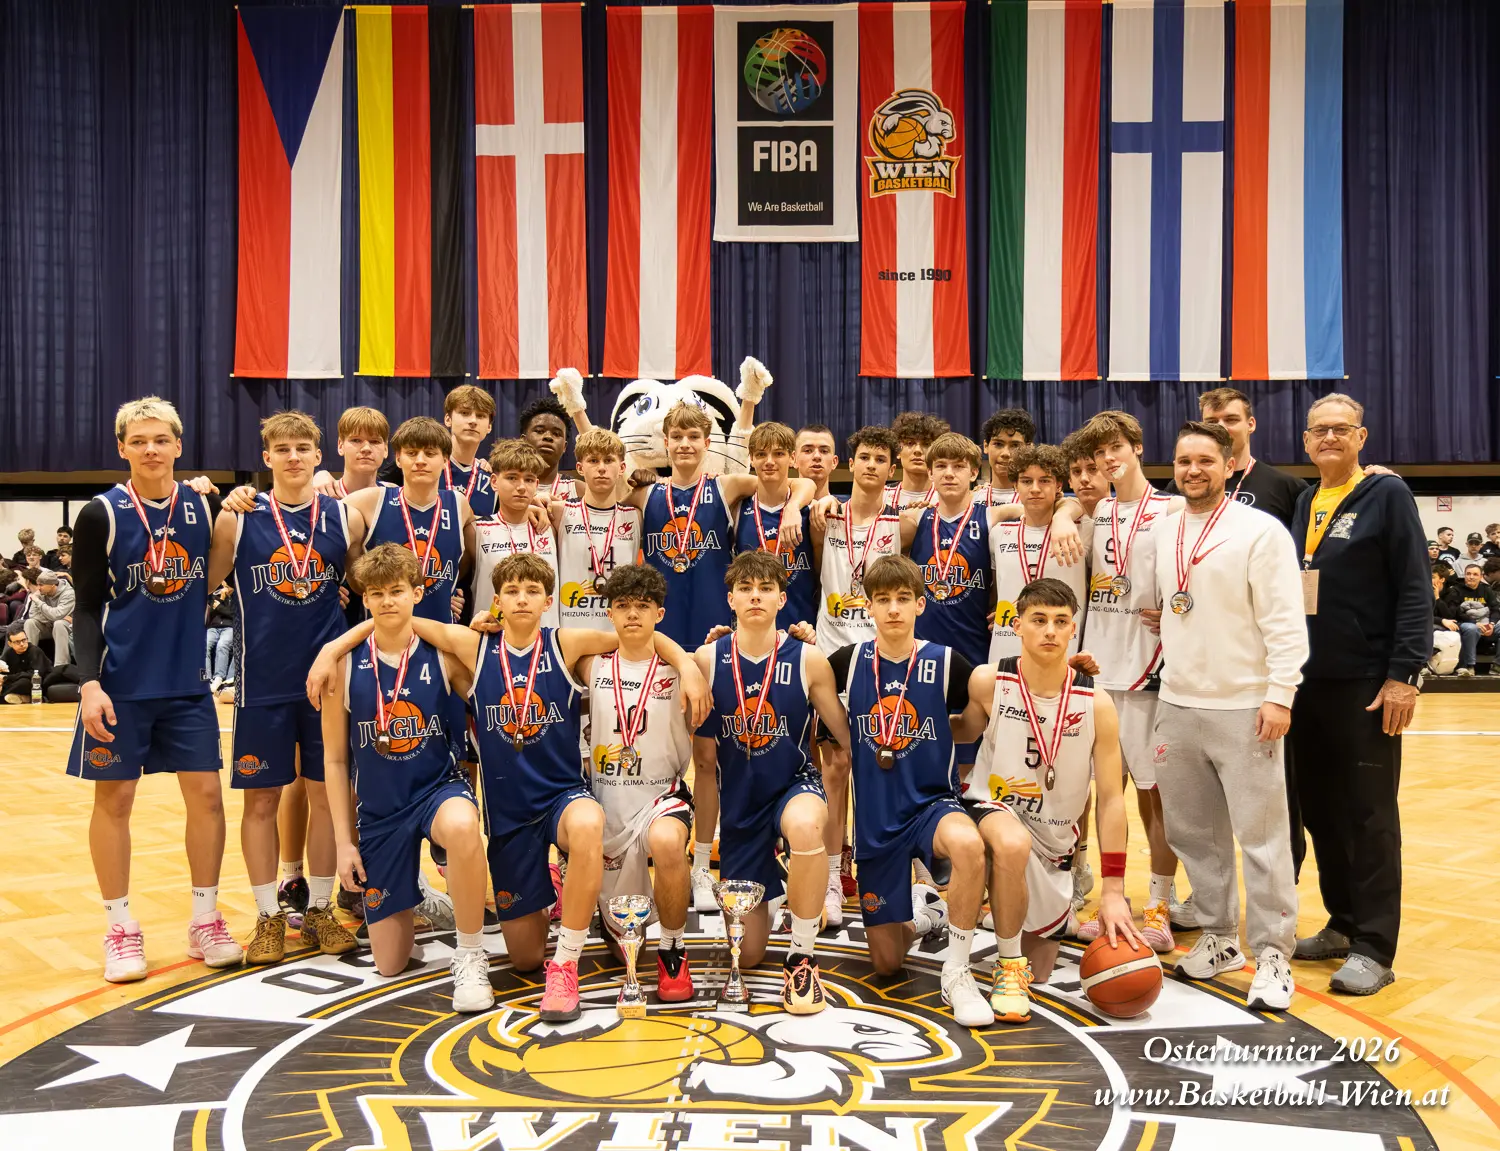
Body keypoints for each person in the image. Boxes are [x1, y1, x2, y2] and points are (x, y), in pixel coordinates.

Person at [313, 551, 708, 1020]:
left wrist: (685, 664)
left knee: (589, 823)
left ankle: (566, 962)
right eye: (512, 591)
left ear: (548, 601)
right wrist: (331, 650)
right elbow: (396, 620)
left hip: (561, 797)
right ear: (497, 600)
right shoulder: (471, 647)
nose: (522, 599)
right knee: (515, 958)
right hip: (509, 815)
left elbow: (638, 634)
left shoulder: (566, 642)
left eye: (533, 591)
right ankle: (553, 888)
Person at [68, 397, 244, 981]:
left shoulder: (202, 505)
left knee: (209, 798)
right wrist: (88, 683)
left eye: (161, 439)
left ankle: (205, 918)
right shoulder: (100, 514)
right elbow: (86, 606)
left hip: (187, 685)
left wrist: (234, 497)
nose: (150, 449)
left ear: (178, 445)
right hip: (120, 685)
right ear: (122, 447)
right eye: (139, 440)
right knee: (115, 802)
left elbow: (222, 567)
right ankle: (119, 927)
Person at [1150, 422, 1307, 1009]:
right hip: (1177, 701)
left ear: (1229, 465)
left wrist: (1281, 694)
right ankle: (1219, 938)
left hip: (1246, 705)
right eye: (1183, 461)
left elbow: (1285, 620)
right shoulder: (1164, 531)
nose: (1193, 470)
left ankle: (1273, 953)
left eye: (1205, 461)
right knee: (1194, 834)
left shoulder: (1260, 531)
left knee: (1261, 838)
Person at [210, 410, 364, 965]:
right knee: (261, 800)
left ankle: (319, 908)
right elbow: (203, 585)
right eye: (283, 449)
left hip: (327, 683)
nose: (294, 457)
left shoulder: (344, 516)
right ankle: (268, 916)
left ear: (319, 457)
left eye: (303, 448)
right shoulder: (237, 519)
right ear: (267, 458)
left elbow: (364, 583)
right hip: (262, 684)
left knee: (327, 796)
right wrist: (211, 497)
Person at [313, 545, 494, 1011]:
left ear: (417, 593)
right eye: (376, 593)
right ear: (364, 599)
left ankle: (470, 955)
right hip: (380, 810)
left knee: (462, 826)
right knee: (390, 962)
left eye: (397, 591)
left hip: (438, 790)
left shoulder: (442, 654)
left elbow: (486, 676)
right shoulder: (343, 666)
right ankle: (418, 896)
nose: (387, 601)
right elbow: (335, 761)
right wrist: (345, 844)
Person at [1290, 393, 1429, 996]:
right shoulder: (1304, 501)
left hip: (1367, 684)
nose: (1329, 438)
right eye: (1319, 430)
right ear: (1305, 440)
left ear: (1361, 437)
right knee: (1321, 812)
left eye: (1340, 429)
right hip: (1305, 683)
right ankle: (1343, 923)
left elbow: (1415, 587)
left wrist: (1404, 674)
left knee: (1369, 814)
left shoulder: (1387, 494)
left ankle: (1375, 946)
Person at [957, 578, 1139, 1020]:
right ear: (1016, 625)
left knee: (1040, 970)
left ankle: (1005, 907)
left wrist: (1114, 891)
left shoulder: (1096, 703)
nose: (1050, 631)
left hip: (1055, 844)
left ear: (1074, 629)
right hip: (993, 809)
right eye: (1038, 620)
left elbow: (1111, 800)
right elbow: (961, 731)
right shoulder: (989, 680)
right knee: (1010, 842)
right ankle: (1002, 957)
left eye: (1061, 621)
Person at [827, 555, 993, 1026]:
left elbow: (970, 726)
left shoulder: (946, 662)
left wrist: (937, 731)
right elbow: (805, 683)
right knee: (887, 962)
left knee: (968, 844)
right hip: (876, 821)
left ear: (921, 604)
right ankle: (926, 916)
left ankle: (957, 970)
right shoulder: (848, 661)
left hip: (931, 805)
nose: (894, 609)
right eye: (883, 600)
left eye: (904, 599)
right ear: (868, 607)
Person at [695, 551, 852, 1012]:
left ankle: (802, 958)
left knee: (805, 827)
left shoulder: (808, 658)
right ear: (730, 599)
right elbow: (703, 764)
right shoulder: (708, 659)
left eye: (766, 589)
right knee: (747, 954)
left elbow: (846, 737)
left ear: (782, 599)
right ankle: (787, 884)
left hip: (792, 786)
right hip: (740, 807)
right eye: (745, 589)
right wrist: (701, 859)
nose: (755, 597)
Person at [1070, 410, 1188, 950]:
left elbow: (1195, 576)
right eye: (1098, 453)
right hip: (1097, 669)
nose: (1107, 459)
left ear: (1137, 446)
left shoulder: (1172, 509)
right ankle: (1100, 895)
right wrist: (1067, 513)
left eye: (1115, 447)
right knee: (1095, 792)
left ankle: (1160, 903)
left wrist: (1181, 608)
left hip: (1150, 670)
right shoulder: (1094, 512)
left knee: (1154, 795)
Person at [582, 564, 696, 1001]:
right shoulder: (589, 665)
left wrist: (687, 663)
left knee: (667, 842)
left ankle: (674, 949)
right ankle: (609, 917)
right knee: (622, 950)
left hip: (661, 795)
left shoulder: (681, 670)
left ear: (659, 614)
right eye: (623, 605)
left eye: (643, 606)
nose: (633, 614)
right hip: (608, 804)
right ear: (609, 613)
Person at [809, 427, 904, 924]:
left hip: (883, 656)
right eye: (864, 456)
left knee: (884, 766)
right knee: (835, 766)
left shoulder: (904, 522)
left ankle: (877, 866)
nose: (870, 465)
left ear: (892, 468)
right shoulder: (825, 514)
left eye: (880, 459)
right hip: (833, 655)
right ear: (851, 462)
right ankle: (830, 875)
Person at [345, 417, 475, 625]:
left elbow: (467, 560)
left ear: (445, 460)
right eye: (412, 453)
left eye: (430, 453)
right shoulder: (370, 501)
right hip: (384, 634)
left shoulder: (459, 504)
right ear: (398, 458)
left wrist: (446, 590)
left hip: (442, 633)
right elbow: (314, 517)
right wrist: (334, 585)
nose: (420, 460)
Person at [988, 445, 1091, 664]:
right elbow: (996, 591)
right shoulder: (998, 533)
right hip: (1006, 650)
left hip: (1062, 651)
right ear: (1015, 485)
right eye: (1027, 481)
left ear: (1058, 485)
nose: (1035, 489)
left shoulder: (1082, 531)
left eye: (1044, 480)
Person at [1162, 388, 1307, 528]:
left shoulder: (1287, 487)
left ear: (1250, 424)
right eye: (1211, 422)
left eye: (1231, 420)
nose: (1221, 428)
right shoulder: (1182, 485)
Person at [547, 428, 641, 629]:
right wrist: (536, 501)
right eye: (593, 460)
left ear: (622, 467)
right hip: (571, 629)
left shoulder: (636, 516)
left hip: (618, 630)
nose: (601, 468)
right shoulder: (560, 512)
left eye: (608, 460)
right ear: (580, 468)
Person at [734, 422, 818, 630]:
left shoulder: (810, 511)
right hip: (751, 632)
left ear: (792, 458)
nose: (769, 461)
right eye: (761, 454)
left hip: (802, 629)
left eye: (778, 454)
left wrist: (793, 506)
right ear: (751, 459)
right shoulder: (736, 510)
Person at [470, 439, 559, 628]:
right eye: (512, 478)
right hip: (493, 637)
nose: (521, 487)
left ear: (536, 484)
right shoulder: (477, 530)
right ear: (494, 482)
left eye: (528, 479)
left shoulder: (552, 526)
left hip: (545, 638)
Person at [314, 406, 390, 498]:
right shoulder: (319, 497)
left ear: (385, 449)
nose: (366, 448)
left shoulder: (396, 498)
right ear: (340, 445)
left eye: (375, 441)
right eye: (356, 440)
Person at [1437, 561, 1498, 676]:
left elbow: (1495, 609)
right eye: (1468, 574)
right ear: (1464, 575)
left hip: (1486, 624)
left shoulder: (1486, 589)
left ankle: (1497, 665)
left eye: (1475, 574)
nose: (1471, 577)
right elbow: (1454, 613)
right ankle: (1469, 665)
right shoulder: (1455, 590)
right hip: (1464, 623)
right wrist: (1474, 622)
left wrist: (1492, 624)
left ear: (1481, 576)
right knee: (1471, 628)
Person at [521, 395, 579, 502]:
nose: (548, 437)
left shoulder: (580, 490)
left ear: (564, 447)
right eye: (539, 431)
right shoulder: (504, 485)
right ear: (523, 441)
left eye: (556, 434)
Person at [886, 412, 949, 509]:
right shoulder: (880, 496)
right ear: (898, 450)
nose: (918, 450)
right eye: (910, 443)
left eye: (926, 444)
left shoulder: (948, 498)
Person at [977, 408, 1035, 507]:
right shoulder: (971, 499)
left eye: (1015, 445)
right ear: (986, 446)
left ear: (1029, 448)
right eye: (998, 444)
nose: (1006, 453)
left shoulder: (1037, 498)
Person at [24, 569, 74, 663]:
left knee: (59, 624)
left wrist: (39, 602)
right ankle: (30, 662)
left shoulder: (68, 593)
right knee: (30, 623)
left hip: (68, 626)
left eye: (41, 585)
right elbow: (33, 614)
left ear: (52, 585)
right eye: (38, 584)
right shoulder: (41, 593)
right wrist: (52, 617)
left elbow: (57, 615)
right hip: (49, 625)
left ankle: (61, 665)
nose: (38, 588)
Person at [1062, 433, 1109, 518]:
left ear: (1109, 474)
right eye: (1077, 471)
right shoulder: (1060, 513)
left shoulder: (1129, 514)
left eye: (1093, 469)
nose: (1084, 479)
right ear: (1070, 481)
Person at [1, 626, 52, 703]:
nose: (22, 644)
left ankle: (2, 698)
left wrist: (7, 678)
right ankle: (22, 698)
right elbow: (3, 670)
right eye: (17, 642)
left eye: (24, 640)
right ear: (10, 644)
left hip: (37, 683)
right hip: (15, 681)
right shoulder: (9, 653)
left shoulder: (34, 651)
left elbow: (34, 674)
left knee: (23, 683)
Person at [793, 425, 839, 499]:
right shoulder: (781, 506)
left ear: (834, 462)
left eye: (824, 451)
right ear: (794, 459)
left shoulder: (844, 506)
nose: (817, 456)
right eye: (808, 451)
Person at [205, 582, 235, 694]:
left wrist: (219, 606)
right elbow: (212, 612)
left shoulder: (236, 598)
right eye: (224, 586)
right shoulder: (215, 596)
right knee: (205, 644)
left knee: (222, 645)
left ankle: (219, 677)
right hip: (213, 627)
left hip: (229, 627)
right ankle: (207, 678)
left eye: (227, 586)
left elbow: (233, 614)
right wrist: (221, 599)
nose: (224, 588)